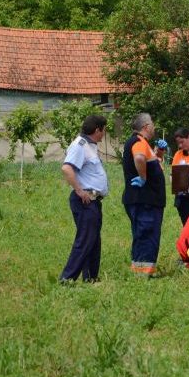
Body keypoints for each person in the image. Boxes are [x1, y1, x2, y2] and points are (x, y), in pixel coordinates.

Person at [59, 115, 108, 283]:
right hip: (85, 201)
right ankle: (67, 278)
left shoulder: (90, 145)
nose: (104, 134)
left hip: (94, 201)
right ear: (97, 130)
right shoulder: (79, 145)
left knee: (93, 240)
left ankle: (91, 278)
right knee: (85, 240)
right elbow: (67, 168)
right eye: (104, 130)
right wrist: (79, 191)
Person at [122, 113, 166, 277]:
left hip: (145, 200)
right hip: (144, 200)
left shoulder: (143, 143)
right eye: (152, 124)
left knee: (143, 234)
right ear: (146, 127)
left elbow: (151, 163)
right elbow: (140, 158)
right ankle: (143, 274)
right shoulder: (138, 142)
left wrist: (159, 153)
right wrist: (143, 177)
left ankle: (140, 270)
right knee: (146, 234)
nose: (154, 127)